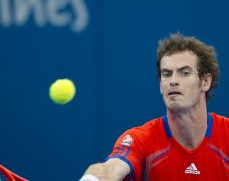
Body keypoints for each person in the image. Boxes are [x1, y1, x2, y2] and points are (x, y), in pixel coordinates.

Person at [79, 33, 229, 181]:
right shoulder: (141, 140)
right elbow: (110, 169)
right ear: (160, 85)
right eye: (166, 74)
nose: (173, 81)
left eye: (184, 73)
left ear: (205, 81)